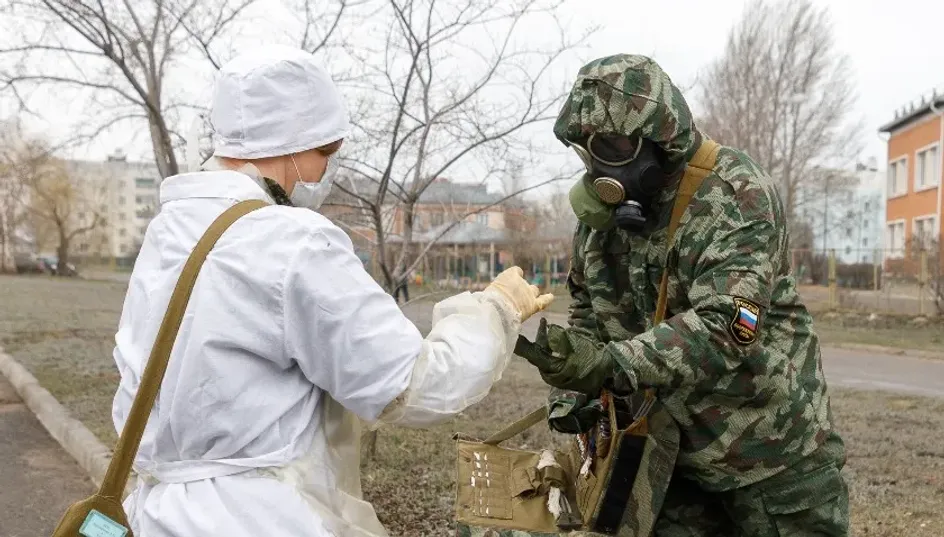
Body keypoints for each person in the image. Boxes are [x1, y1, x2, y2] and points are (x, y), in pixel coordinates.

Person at [110, 44, 553, 537]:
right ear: (289, 142)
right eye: (325, 152)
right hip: (256, 519)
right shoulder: (291, 241)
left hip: (154, 514)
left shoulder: (171, 232)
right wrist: (496, 309)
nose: (325, 171)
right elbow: (414, 384)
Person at [515, 54, 848, 536]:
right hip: (669, 458)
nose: (597, 164)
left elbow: (734, 326)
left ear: (661, 141)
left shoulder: (734, 194)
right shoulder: (602, 224)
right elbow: (590, 311)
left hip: (771, 456)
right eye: (586, 149)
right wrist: (574, 386)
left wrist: (612, 364)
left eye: (610, 144)